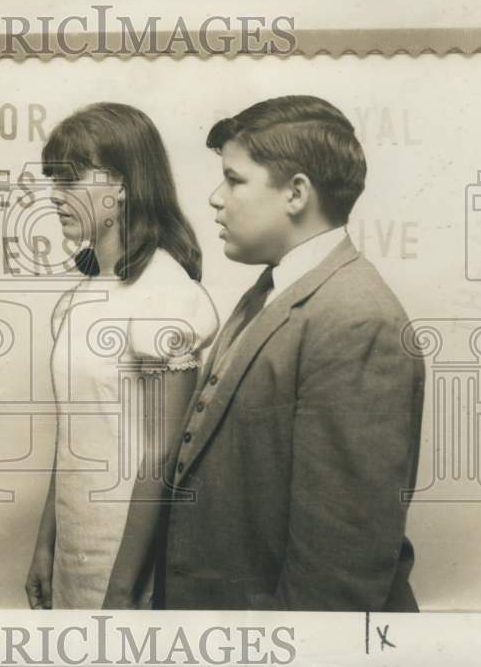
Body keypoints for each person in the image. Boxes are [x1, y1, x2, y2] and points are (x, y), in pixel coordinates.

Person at [162, 95, 424, 611]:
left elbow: (337, 576)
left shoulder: (356, 320)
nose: (217, 198)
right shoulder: (272, 288)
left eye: (234, 179)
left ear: (297, 193)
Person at [25, 102, 218, 610]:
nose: (56, 197)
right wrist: (47, 543)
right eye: (53, 181)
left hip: (125, 555)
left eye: (71, 180)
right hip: (75, 544)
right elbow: (75, 432)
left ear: (124, 184)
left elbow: (161, 457)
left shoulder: (165, 293)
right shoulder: (84, 292)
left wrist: (122, 589)